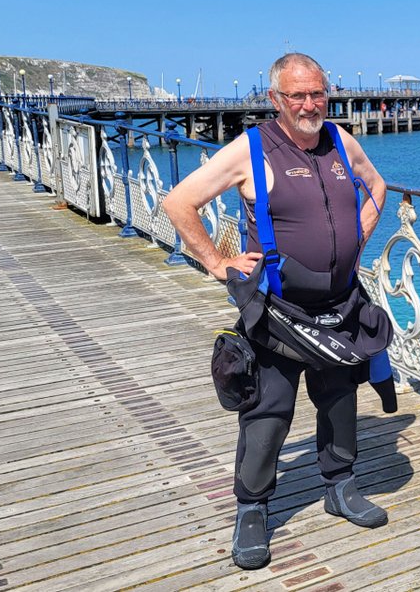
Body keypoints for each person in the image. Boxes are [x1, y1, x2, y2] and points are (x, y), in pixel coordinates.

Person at [163, 53, 391, 570]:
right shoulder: (251, 149)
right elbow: (179, 202)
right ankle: (252, 508)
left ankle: (340, 484)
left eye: (317, 94)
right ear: (275, 99)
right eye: (298, 96)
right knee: (268, 411)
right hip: (277, 309)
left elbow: (376, 186)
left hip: (339, 305)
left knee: (339, 401)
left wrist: (360, 235)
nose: (310, 105)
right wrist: (217, 262)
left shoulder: (339, 140)